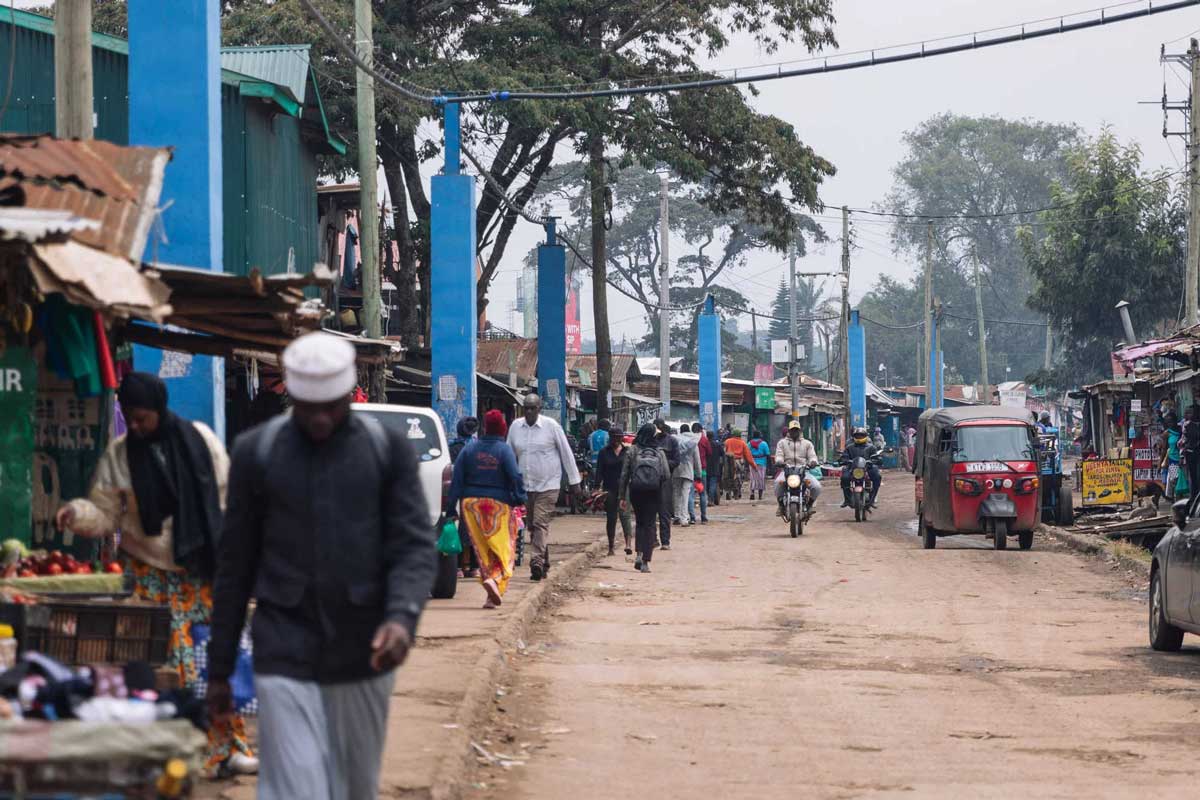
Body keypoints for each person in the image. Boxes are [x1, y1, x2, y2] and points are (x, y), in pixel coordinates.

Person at [207, 332, 436, 800]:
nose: (319, 419)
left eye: (330, 406)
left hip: (363, 647)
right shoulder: (257, 452)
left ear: (347, 394)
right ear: (291, 396)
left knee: (354, 786)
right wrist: (219, 670)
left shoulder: (386, 450)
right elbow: (234, 566)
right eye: (308, 407)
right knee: (295, 786)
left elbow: (412, 546)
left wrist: (401, 617)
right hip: (283, 643)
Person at [55, 373, 256, 778]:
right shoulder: (119, 455)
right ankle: (180, 753)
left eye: (143, 418)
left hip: (199, 571)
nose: (138, 427)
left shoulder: (201, 440)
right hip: (147, 574)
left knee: (213, 661)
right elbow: (106, 511)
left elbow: (228, 495)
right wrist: (77, 514)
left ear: (160, 409)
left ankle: (226, 747)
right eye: (130, 419)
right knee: (165, 666)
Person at [447, 410, 527, 608]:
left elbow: (456, 479)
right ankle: (496, 579)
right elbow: (515, 476)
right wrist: (519, 498)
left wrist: (451, 508)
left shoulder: (469, 449)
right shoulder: (504, 450)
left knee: (482, 550)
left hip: (471, 506)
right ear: (503, 428)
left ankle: (491, 597)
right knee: (504, 549)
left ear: (484, 427)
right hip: (498, 506)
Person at [508, 394, 582, 581]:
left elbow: (566, 453)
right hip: (526, 487)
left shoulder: (551, 426)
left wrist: (575, 482)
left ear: (539, 408)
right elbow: (508, 456)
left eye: (533, 408)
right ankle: (544, 559)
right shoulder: (516, 427)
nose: (529, 412)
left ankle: (536, 563)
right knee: (533, 526)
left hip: (548, 485)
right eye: (526, 408)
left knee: (540, 523)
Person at [620, 424, 671, 572]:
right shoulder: (659, 451)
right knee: (649, 524)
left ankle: (638, 553)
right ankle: (645, 562)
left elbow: (624, 475)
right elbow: (666, 474)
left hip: (636, 492)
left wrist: (622, 496)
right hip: (654, 492)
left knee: (640, 522)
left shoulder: (633, 450)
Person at [448, 416, 480, 578]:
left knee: (459, 528)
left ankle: (459, 567)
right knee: (474, 529)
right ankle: (474, 567)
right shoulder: (478, 447)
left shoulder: (453, 446)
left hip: (459, 492)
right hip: (476, 493)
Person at [597, 426, 634, 556]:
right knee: (611, 517)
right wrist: (597, 489)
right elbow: (599, 472)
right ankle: (611, 546)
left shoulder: (628, 452)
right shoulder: (604, 452)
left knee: (625, 516)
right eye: (614, 437)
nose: (616, 440)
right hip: (609, 489)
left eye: (619, 437)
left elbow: (632, 470)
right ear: (610, 438)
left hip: (625, 489)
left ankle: (628, 544)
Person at [774, 420, 822, 517]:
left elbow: (812, 456)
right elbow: (779, 455)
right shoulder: (782, 443)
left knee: (816, 486)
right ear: (789, 431)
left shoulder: (807, 443)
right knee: (778, 483)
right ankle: (781, 505)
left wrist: (813, 462)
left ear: (800, 431)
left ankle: (810, 505)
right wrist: (779, 461)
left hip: (803, 471)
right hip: (787, 471)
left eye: (796, 430)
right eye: (792, 430)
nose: (794, 432)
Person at [651, 420, 680, 549]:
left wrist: (664, 465)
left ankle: (665, 541)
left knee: (664, 512)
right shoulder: (650, 441)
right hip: (649, 479)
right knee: (650, 511)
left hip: (665, 480)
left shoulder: (672, 441)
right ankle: (653, 539)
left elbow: (677, 460)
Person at [840, 426, 882, 509]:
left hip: (868, 468)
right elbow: (844, 456)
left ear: (865, 436)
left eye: (861, 435)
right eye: (857, 435)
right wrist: (844, 460)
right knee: (844, 478)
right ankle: (847, 499)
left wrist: (875, 460)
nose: (859, 437)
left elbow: (877, 457)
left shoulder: (871, 447)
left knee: (877, 476)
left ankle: (872, 499)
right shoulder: (849, 447)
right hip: (853, 469)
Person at [672, 424, 702, 525]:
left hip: (676, 470)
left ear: (680, 431)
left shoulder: (676, 441)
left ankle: (676, 516)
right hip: (688, 471)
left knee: (676, 493)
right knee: (685, 494)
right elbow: (697, 460)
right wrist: (699, 474)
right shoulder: (693, 442)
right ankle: (684, 519)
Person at [721, 430, 756, 500]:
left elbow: (723, 452)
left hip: (728, 461)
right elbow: (748, 456)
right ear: (740, 435)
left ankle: (728, 492)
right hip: (739, 462)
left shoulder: (727, 441)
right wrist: (754, 465)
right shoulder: (742, 443)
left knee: (728, 476)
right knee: (739, 477)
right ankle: (737, 492)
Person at [693, 423, 710, 523]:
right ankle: (703, 517)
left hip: (690, 470)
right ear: (700, 430)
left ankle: (691, 517)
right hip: (702, 469)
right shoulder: (704, 440)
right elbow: (709, 452)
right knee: (702, 493)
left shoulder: (689, 440)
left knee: (690, 494)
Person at [748, 429, 771, 501]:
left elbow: (747, 453)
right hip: (762, 463)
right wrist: (770, 465)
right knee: (761, 478)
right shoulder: (764, 443)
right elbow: (767, 454)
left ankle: (752, 493)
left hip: (752, 463)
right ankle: (760, 496)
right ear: (760, 436)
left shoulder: (749, 443)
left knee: (752, 478)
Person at [707, 430, 724, 507]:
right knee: (713, 483)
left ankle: (708, 499)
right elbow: (722, 454)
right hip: (715, 466)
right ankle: (711, 500)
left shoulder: (704, 444)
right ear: (713, 436)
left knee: (707, 484)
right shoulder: (717, 444)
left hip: (705, 467)